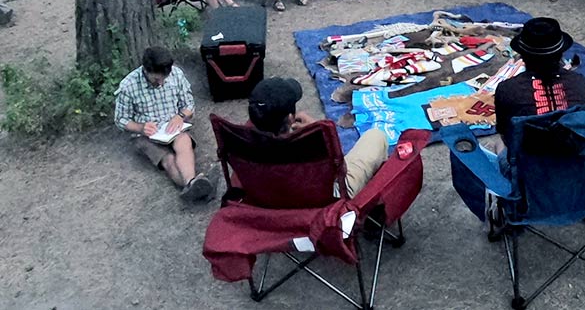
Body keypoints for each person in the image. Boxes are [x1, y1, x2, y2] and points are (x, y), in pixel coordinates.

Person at [246, 77, 388, 197]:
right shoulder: (313, 143)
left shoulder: (242, 140)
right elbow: (340, 170)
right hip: (324, 198)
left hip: (269, 193)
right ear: (290, 118)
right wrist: (318, 128)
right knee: (376, 136)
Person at [114, 46, 213, 201]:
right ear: (146, 70)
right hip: (146, 135)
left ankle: (191, 183)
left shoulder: (176, 75)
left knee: (184, 142)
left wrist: (180, 116)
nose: (161, 83)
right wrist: (141, 127)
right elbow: (121, 120)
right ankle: (195, 184)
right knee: (166, 158)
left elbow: (189, 105)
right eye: (156, 79)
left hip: (172, 127)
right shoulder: (128, 86)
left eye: (164, 79)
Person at [492, 17, 585, 157]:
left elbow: (505, 136)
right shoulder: (581, 84)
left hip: (530, 172)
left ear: (522, 56)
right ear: (561, 54)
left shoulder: (507, 90)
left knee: (498, 143)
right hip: (577, 167)